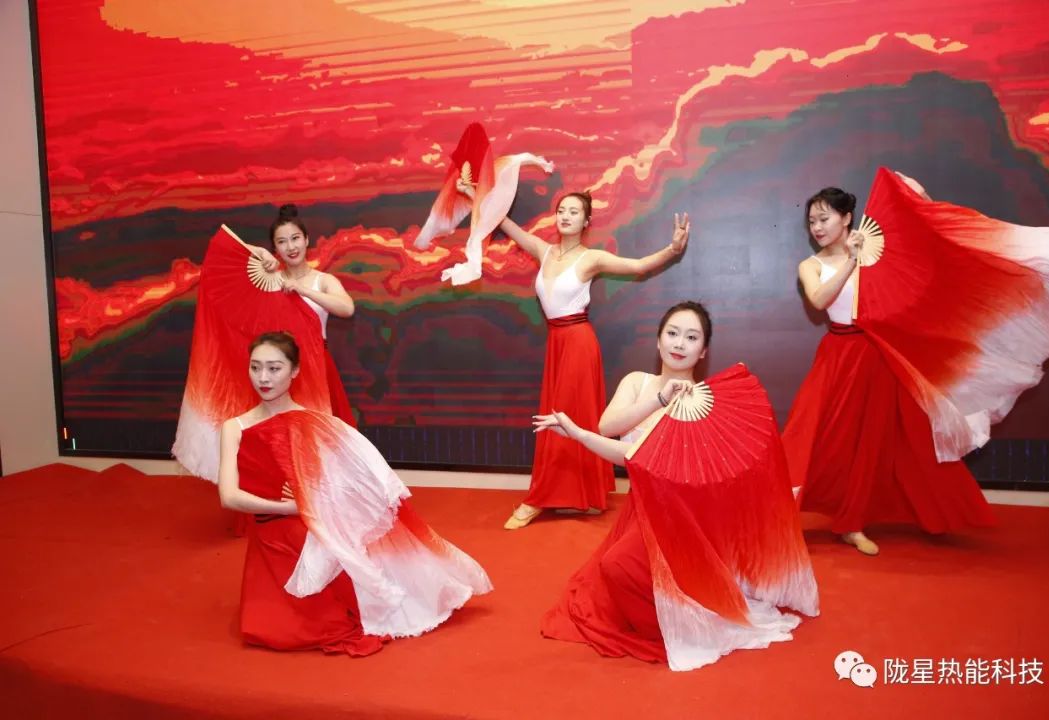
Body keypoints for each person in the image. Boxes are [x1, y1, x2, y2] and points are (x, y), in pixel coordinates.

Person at [535, 302, 818, 671]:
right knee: (612, 577)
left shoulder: (705, 404)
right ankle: (670, 619)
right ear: (658, 341)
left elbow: (638, 457)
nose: (679, 343)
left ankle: (681, 629)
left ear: (703, 352)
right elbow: (609, 427)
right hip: (641, 504)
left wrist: (579, 435)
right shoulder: (637, 382)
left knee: (618, 566)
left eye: (691, 337)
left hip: (680, 513)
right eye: (672, 333)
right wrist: (658, 399)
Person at [217, 331, 492, 654]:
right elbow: (229, 497)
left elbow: (345, 486)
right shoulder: (234, 427)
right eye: (255, 367)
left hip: (311, 535)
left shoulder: (316, 422)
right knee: (271, 630)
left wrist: (311, 501)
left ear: (294, 371)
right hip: (269, 536)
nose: (263, 378)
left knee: (331, 620)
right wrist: (291, 507)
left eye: (274, 368)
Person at [458, 181, 690, 529]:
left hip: (579, 343)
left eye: (574, 212)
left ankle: (552, 497)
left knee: (568, 415)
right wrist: (473, 194)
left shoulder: (590, 258)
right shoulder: (543, 250)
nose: (565, 216)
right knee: (555, 417)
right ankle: (562, 495)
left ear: (586, 221)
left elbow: (639, 266)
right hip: (557, 343)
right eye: (561, 211)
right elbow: (501, 220)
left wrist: (672, 249)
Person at [782, 179, 995, 556]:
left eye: (824, 219)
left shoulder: (876, 254)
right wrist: (851, 261)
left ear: (847, 218)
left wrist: (918, 197)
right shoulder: (810, 265)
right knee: (813, 432)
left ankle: (853, 523)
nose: (816, 227)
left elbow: (925, 249)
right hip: (838, 355)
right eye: (811, 221)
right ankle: (777, 512)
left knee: (881, 440)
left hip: (878, 355)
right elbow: (819, 300)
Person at [252, 204, 357, 425]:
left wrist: (303, 290)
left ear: (306, 240)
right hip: (278, 371)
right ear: (275, 248)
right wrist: (261, 254)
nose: (291, 247)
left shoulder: (323, 280)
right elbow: (231, 252)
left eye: (295, 238)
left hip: (317, 364)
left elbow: (347, 308)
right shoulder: (269, 281)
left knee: (319, 432)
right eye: (282, 242)